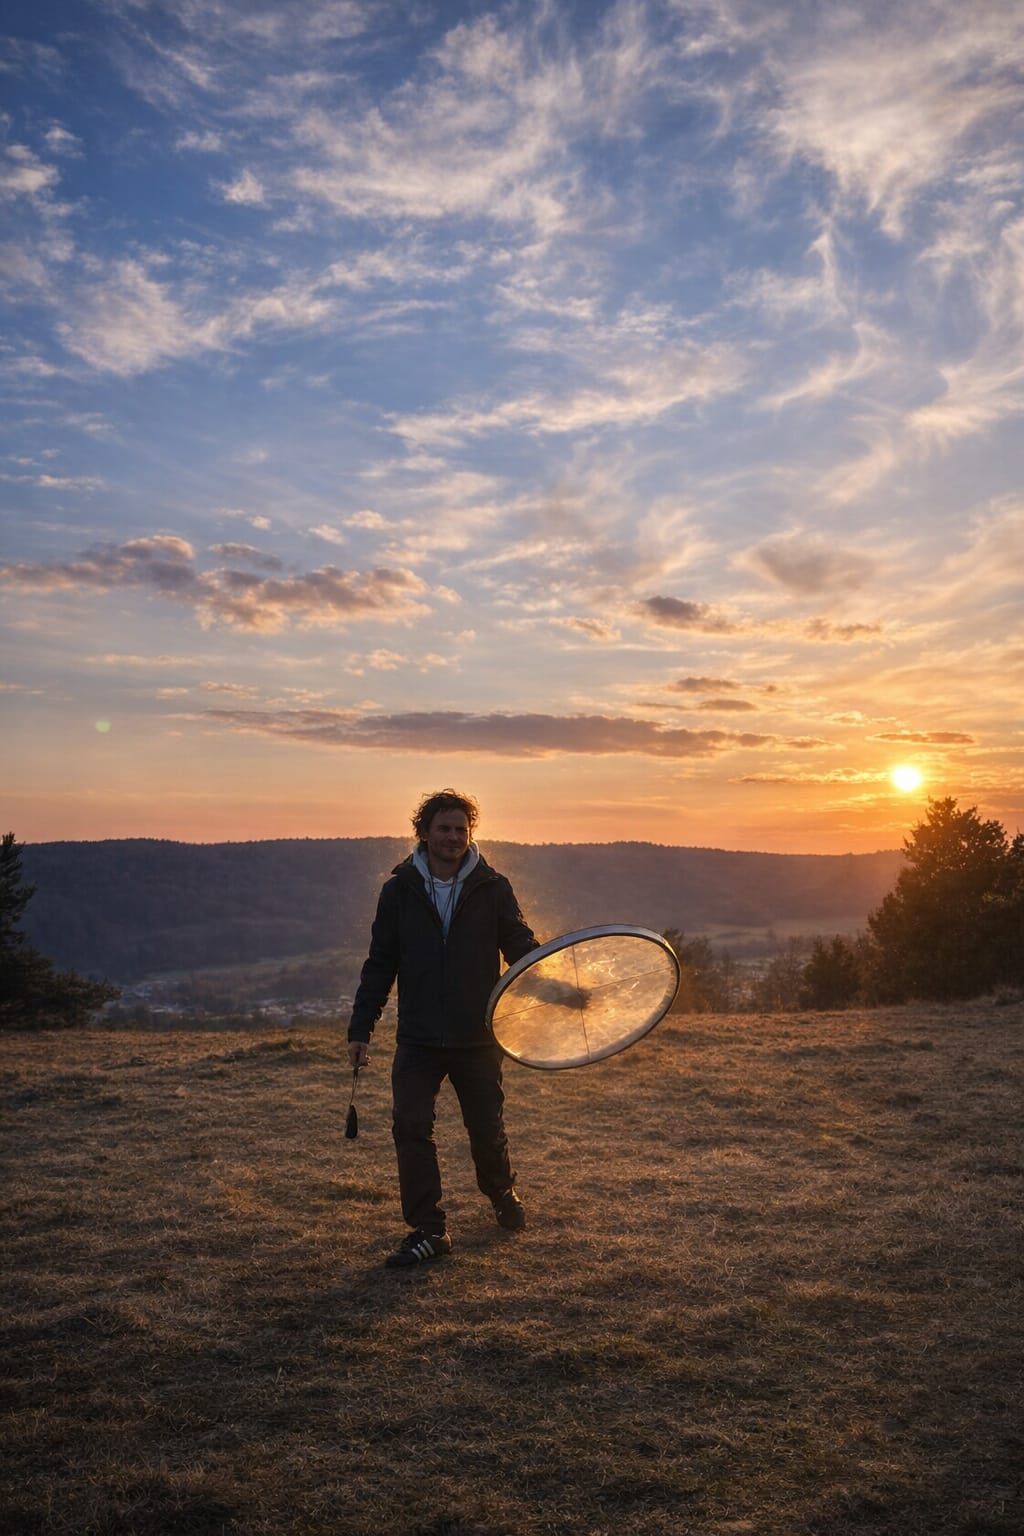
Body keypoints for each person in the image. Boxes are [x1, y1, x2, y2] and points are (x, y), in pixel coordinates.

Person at [347, 788, 539, 1268]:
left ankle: (500, 1192)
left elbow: (520, 948)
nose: (453, 837)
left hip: (477, 1037)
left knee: (486, 1129)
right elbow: (380, 963)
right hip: (418, 1039)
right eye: (444, 828)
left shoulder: (494, 887)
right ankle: (428, 1230)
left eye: (461, 829)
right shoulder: (399, 890)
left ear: (470, 835)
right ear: (424, 833)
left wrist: (560, 982)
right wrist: (361, 1027)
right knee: (410, 1128)